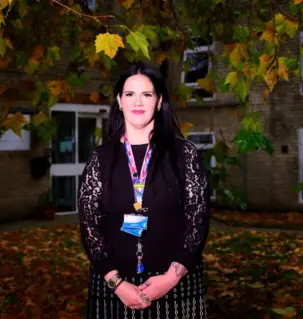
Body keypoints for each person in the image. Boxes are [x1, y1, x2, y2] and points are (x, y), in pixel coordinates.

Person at [78, 62, 210, 319]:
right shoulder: (100, 158)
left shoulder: (184, 154)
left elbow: (198, 222)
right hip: (113, 293)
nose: (137, 102)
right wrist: (117, 283)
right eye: (130, 94)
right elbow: (90, 227)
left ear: (159, 101)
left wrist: (170, 279)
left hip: (176, 291)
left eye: (146, 94)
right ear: (119, 100)